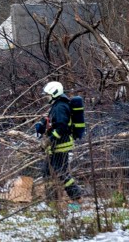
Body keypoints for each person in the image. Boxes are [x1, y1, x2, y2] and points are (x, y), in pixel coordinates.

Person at [35, 81, 82, 209]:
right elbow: (53, 121)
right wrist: (42, 124)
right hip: (55, 146)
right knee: (47, 172)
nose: (47, 97)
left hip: (61, 145)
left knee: (61, 172)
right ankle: (52, 201)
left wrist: (49, 139)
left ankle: (77, 199)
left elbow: (61, 126)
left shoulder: (60, 106)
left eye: (48, 95)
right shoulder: (56, 105)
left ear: (54, 93)